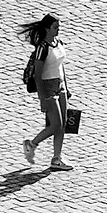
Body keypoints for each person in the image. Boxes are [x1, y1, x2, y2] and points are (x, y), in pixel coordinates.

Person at [21, 12, 74, 172]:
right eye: (55, 27)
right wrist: (42, 98)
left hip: (60, 85)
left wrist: (67, 86)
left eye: (58, 27)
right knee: (55, 124)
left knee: (63, 123)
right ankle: (31, 144)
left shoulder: (58, 42)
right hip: (48, 87)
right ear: (47, 28)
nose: (58, 30)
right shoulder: (42, 48)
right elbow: (38, 75)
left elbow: (61, 66)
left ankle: (56, 158)